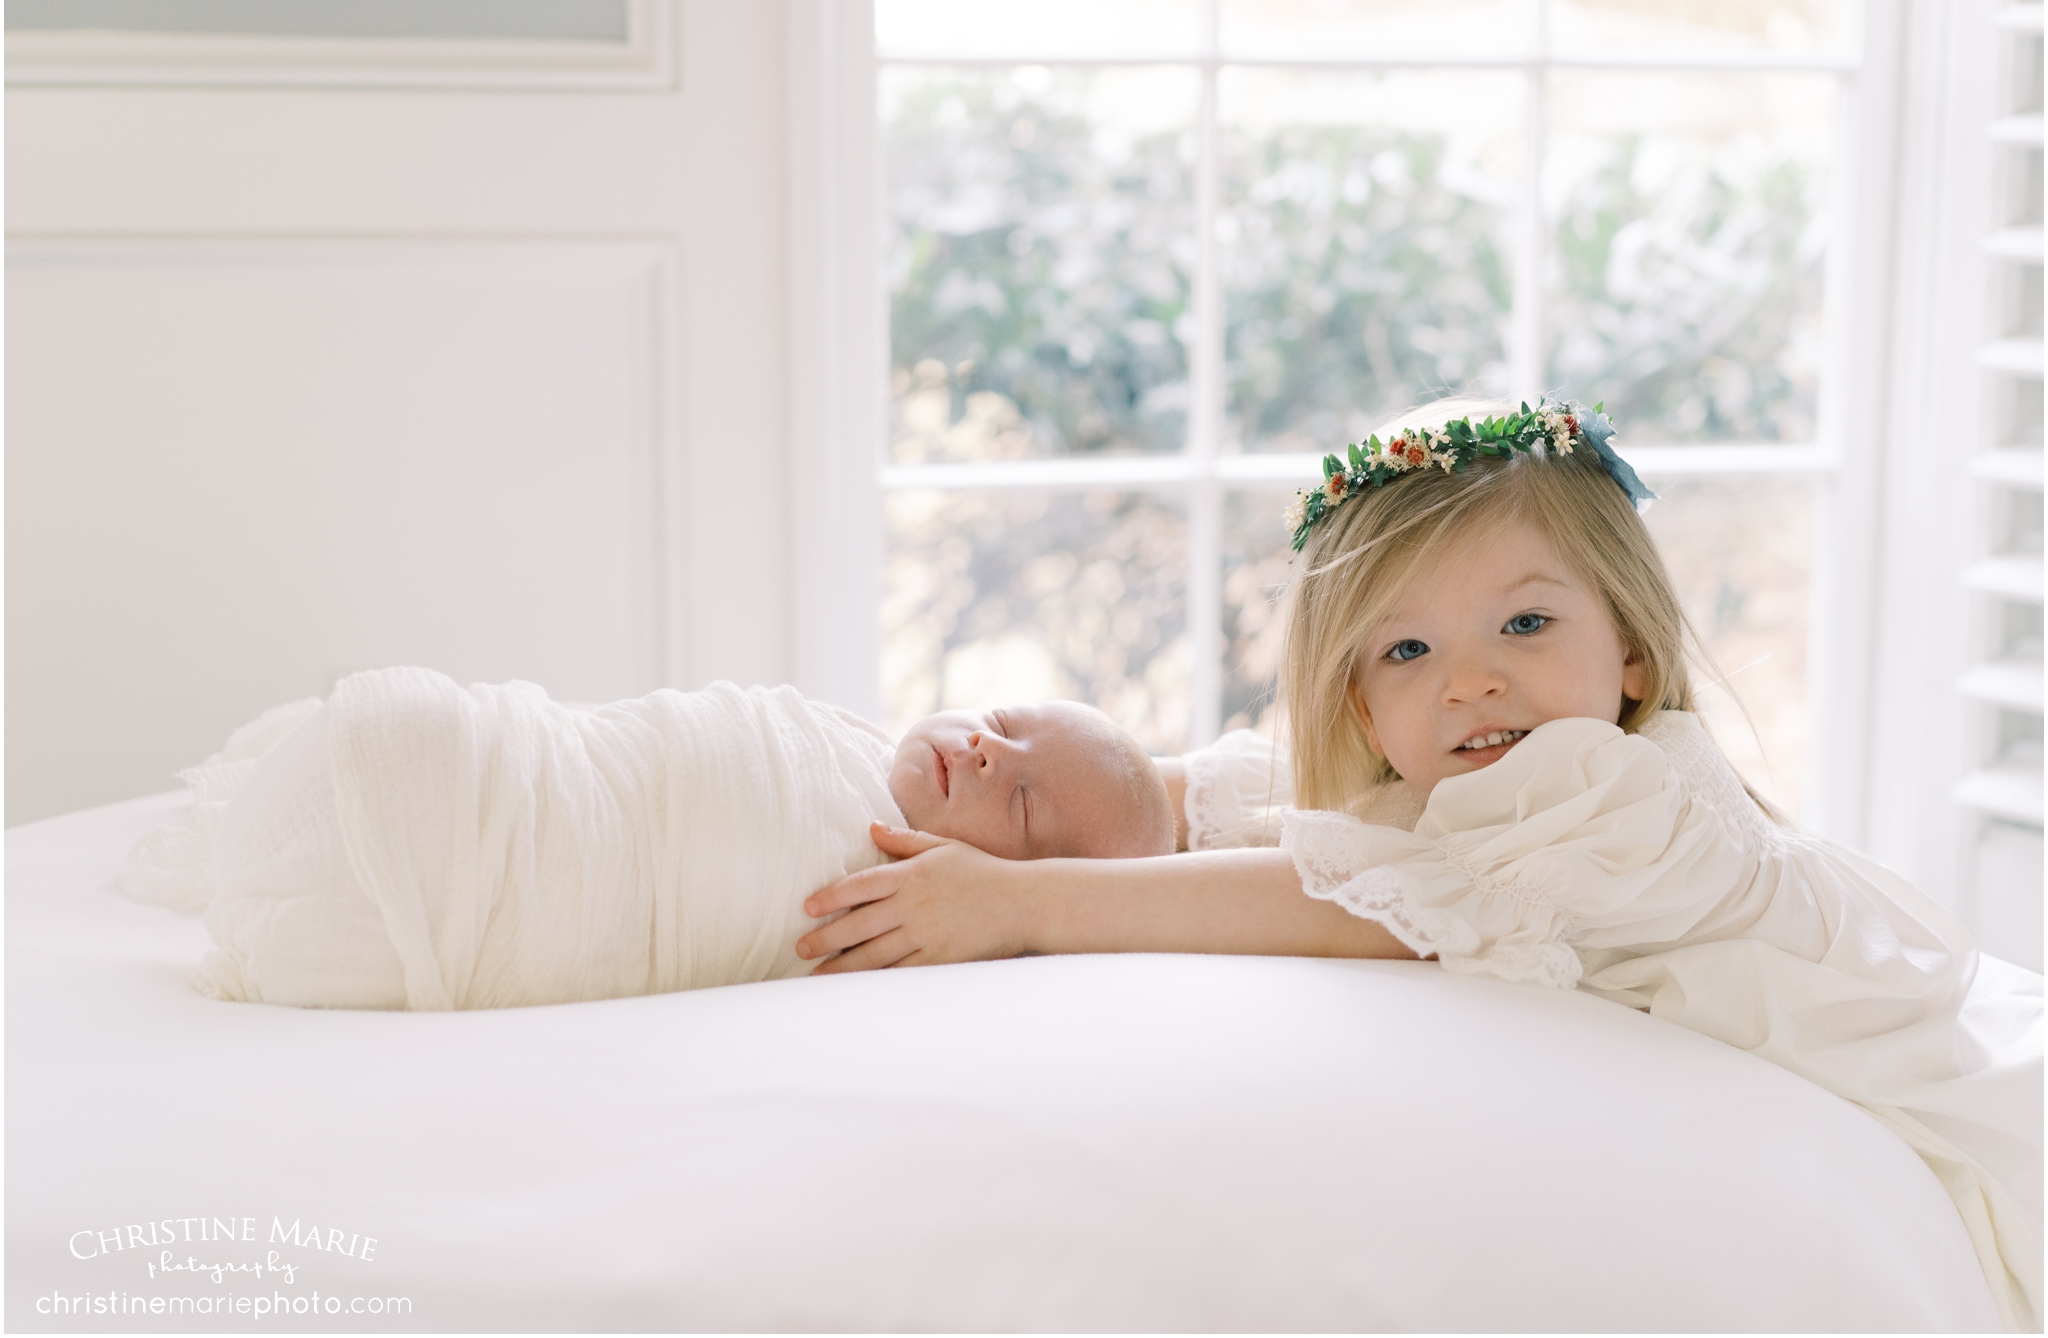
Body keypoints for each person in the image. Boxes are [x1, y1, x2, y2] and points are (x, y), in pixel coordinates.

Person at [798, 398, 2043, 1332]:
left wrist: (1022, 903)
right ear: (1355, 702)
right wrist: (1052, 800)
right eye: (1404, 650)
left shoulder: (1610, 792)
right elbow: (1255, 798)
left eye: (1523, 623)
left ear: (1629, 657)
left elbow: (1359, 905)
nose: (1466, 678)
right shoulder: (1451, 776)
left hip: (1918, 1061)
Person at [120, 676, 1173, 1014]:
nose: (987, 754)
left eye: (1024, 803)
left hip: (420, 896)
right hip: (445, 757)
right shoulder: (832, 740)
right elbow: (646, 753)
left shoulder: (902, 915)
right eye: (1001, 724)